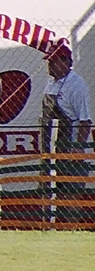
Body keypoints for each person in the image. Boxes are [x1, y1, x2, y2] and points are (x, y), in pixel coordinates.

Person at [40, 42, 91, 218]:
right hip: (50, 147)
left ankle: (71, 227)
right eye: (49, 61)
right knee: (47, 192)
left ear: (65, 62)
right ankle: (47, 227)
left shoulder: (76, 85)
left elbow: (85, 120)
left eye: (53, 62)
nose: (49, 65)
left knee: (69, 196)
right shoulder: (50, 83)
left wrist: (78, 147)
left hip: (69, 148)